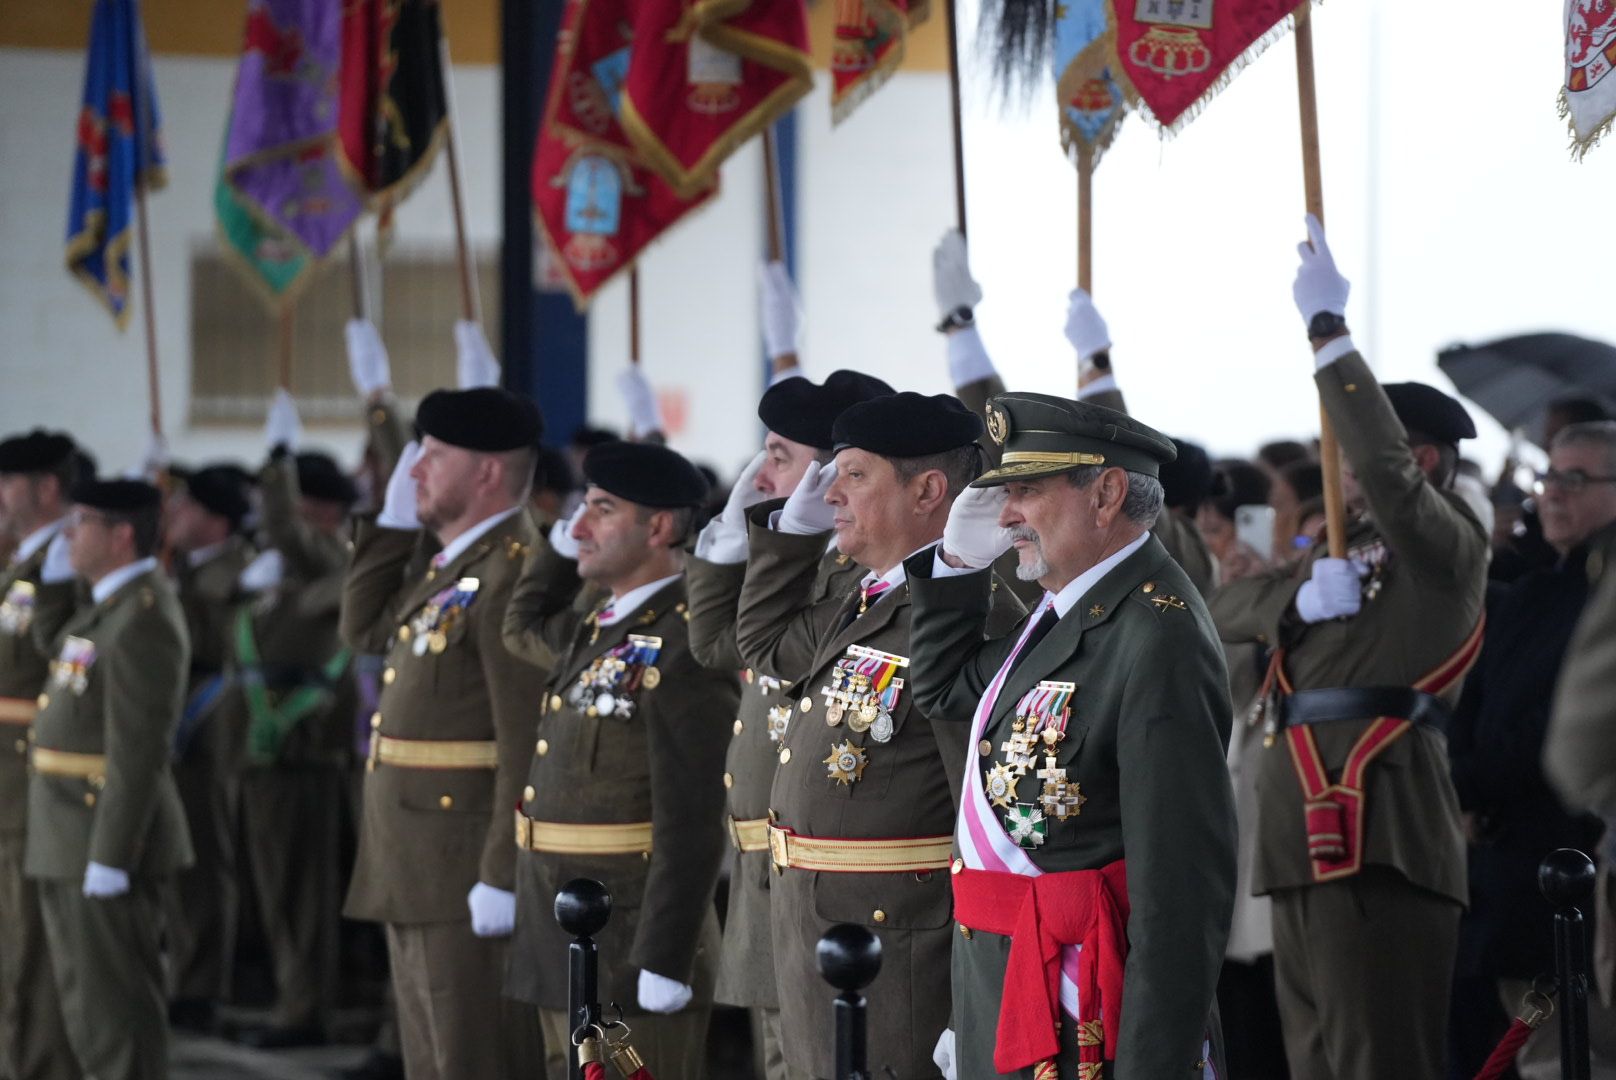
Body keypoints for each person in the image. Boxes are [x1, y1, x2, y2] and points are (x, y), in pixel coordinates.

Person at [1209, 217, 1488, 1080]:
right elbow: (1228, 608)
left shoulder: (1445, 545)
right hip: (1300, 821)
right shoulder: (1337, 551)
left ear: (1427, 458)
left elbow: (1396, 484)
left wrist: (1330, 340)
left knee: (1377, 1057)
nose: (1351, 473)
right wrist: (1298, 594)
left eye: (1363, 458)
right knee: (1315, 1058)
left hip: (1380, 824)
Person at [904, 393, 1237, 1080]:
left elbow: (1179, 900)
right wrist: (957, 570)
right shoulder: (1067, 612)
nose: (1006, 515)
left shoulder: (1155, 635)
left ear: (1106, 493)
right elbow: (941, 691)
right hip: (1011, 994)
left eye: (1027, 491)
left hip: (1085, 1017)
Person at [734, 391, 1025, 1080]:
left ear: (927, 490)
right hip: (823, 940)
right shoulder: (866, 597)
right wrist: (787, 535)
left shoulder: (969, 619)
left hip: (902, 963)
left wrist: (974, 1002)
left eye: (855, 474)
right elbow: (765, 642)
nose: (832, 491)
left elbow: (986, 828)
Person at [502, 441, 736, 1080]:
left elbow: (691, 817)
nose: (577, 525)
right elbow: (519, 623)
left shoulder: (686, 642)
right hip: (563, 924)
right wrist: (565, 549)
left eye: (601, 510)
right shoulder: (596, 624)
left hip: (632, 936)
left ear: (658, 527)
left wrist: (665, 953)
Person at [685, 366, 889, 1079]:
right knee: (781, 1057)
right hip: (763, 860)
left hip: (818, 869)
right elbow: (711, 643)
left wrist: (779, 541)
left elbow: (759, 644)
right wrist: (728, 541)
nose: (763, 471)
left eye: (779, 456)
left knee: (809, 1058)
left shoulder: (854, 575)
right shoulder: (806, 560)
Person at [339, 387, 547, 1080]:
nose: (415, 470)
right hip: (417, 856)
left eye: (432, 456)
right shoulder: (452, 567)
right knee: (430, 1059)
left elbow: (524, 742)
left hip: (463, 864)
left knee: (472, 1058)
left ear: (487, 472)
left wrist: (499, 873)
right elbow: (363, 629)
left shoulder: (512, 571)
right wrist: (394, 523)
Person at [1449, 420, 1616, 1078]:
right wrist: (1462, 783)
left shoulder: (1600, 593)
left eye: (1576, 479)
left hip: (1573, 850)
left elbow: (1569, 733)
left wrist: (1481, 781)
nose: (1553, 493)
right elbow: (1474, 702)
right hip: (1510, 867)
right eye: (1549, 477)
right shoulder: (1530, 595)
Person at [26, 478, 193, 1080]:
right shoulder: (108, 606)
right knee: (85, 1007)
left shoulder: (144, 616)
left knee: (115, 1012)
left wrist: (112, 854)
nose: (70, 534)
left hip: (100, 831)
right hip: (68, 828)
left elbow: (139, 752)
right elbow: (55, 648)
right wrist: (49, 585)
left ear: (121, 535)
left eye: (82, 523)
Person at [224, 392, 362, 1049]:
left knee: (300, 894)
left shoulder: (337, 559)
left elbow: (284, 529)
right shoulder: (287, 568)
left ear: (325, 510)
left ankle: (303, 1009)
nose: (279, 517)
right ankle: (287, 996)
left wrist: (277, 460)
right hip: (263, 753)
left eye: (296, 500)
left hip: (304, 753)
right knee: (271, 888)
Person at [0, 430, 82, 1080]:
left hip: (33, 782)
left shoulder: (62, 570)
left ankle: (40, 1065)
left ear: (46, 488)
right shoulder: (23, 567)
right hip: (10, 784)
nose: (0, 497)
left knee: (32, 946)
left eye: (8, 482)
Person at [162, 462, 255, 1032]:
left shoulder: (239, 571)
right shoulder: (190, 567)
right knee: (180, 853)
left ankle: (202, 984)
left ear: (217, 521)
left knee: (203, 852)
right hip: (181, 714)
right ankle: (183, 968)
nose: (176, 514)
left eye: (188, 506)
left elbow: (213, 639)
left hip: (214, 719)